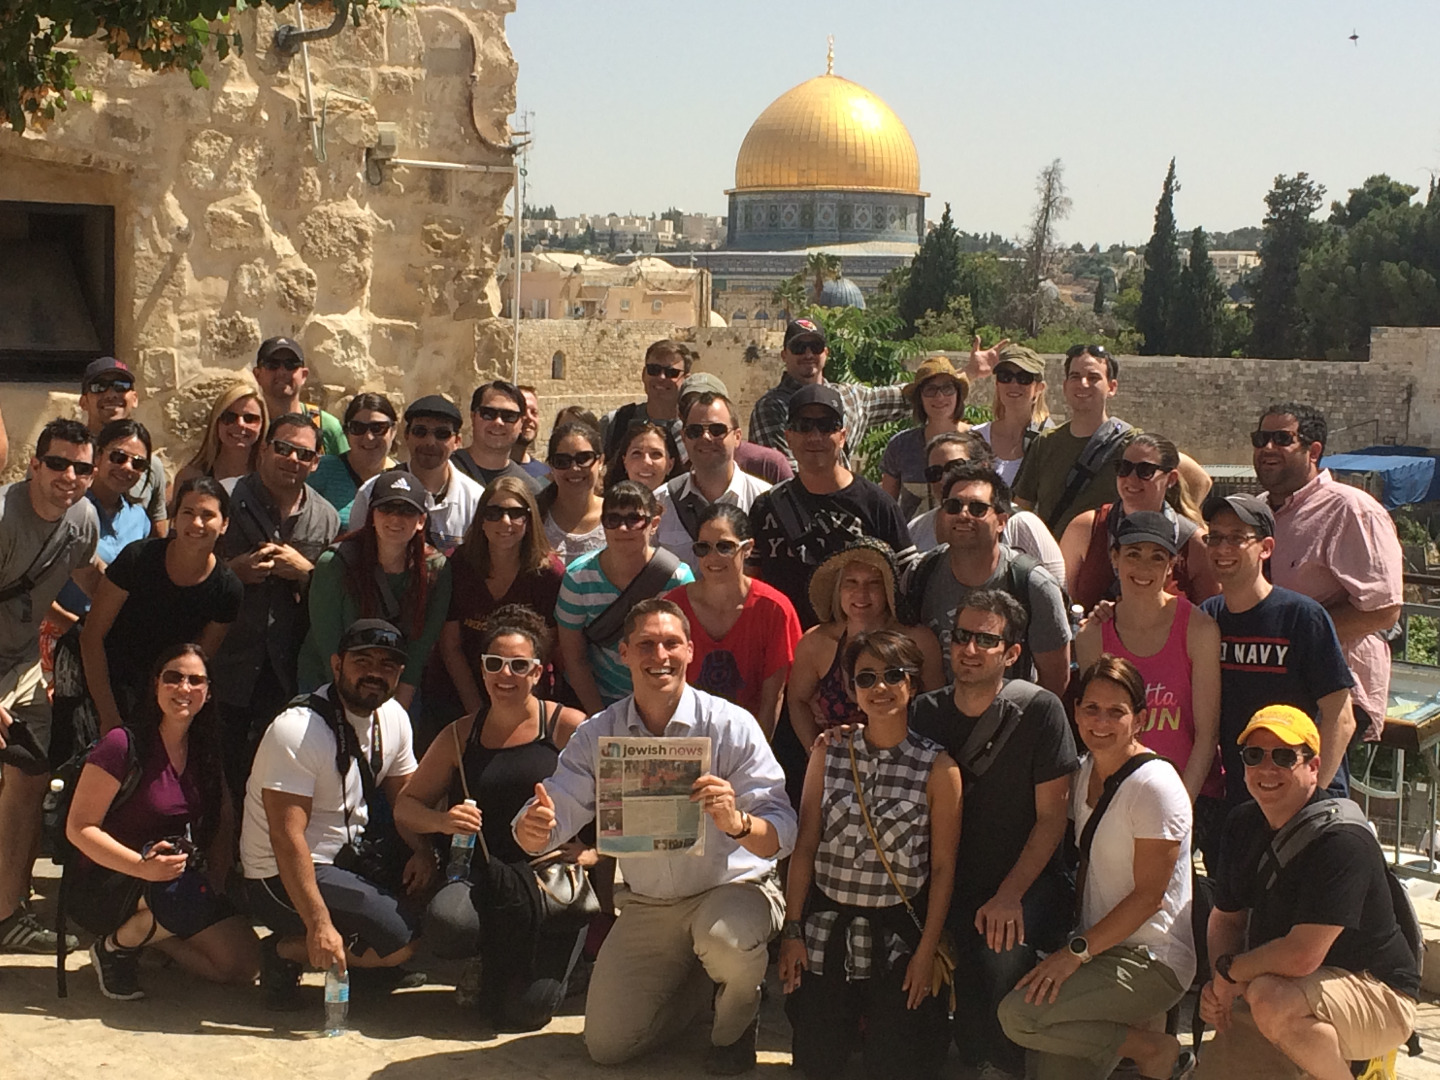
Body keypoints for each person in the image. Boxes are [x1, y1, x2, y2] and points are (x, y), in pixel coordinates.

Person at [512, 599, 797, 1071]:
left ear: (690, 651)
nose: (658, 655)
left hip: (733, 889)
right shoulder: (597, 733)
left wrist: (738, 822)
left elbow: (782, 831)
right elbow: (555, 806)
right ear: (624, 653)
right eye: (645, 644)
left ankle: (734, 1028)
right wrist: (531, 826)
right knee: (608, 1046)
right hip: (649, 903)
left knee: (727, 942)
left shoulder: (731, 725)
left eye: (670, 644)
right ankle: (697, 987)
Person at [998, 655, 1196, 1080]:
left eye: (1116, 712)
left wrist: (1074, 954)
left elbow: (1149, 897)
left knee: (1020, 1017)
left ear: (1140, 719)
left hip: (1150, 959)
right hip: (1096, 952)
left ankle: (1154, 1050)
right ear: (1076, 712)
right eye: (1091, 709)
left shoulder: (1155, 786)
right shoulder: (1084, 771)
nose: (1101, 722)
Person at [1196, 707, 1419, 1080]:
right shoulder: (1242, 822)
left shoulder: (1343, 839)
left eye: (1284, 757)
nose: (1267, 768)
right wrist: (1220, 989)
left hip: (1376, 991)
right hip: (1281, 989)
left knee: (1269, 998)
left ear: (1314, 766)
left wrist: (1229, 973)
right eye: (1255, 756)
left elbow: (1301, 955)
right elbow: (1226, 918)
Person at [909, 589, 1078, 1077]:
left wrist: (1009, 895)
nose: (970, 649)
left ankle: (1001, 1064)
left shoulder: (1041, 711)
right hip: (944, 880)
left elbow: (1052, 818)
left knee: (1000, 952)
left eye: (987, 639)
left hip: (1022, 883)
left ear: (1012, 653)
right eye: (962, 636)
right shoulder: (923, 713)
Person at [780, 629, 961, 1080]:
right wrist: (792, 930)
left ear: (913, 684)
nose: (880, 688)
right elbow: (805, 846)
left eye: (893, 675)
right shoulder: (828, 751)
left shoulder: (939, 767)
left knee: (896, 1065)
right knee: (817, 1064)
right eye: (866, 678)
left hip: (896, 940)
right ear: (851, 688)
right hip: (828, 934)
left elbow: (942, 868)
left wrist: (925, 953)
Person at [396, 606, 588, 1029]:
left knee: (527, 1013)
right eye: (495, 664)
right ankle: (491, 960)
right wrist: (443, 822)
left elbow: (617, 801)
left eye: (520, 665)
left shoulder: (569, 727)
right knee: (448, 923)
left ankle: (557, 966)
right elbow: (406, 806)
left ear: (538, 672)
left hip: (550, 884)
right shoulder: (459, 735)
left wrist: (591, 851)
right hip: (488, 880)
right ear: (482, 670)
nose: (506, 675)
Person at [242, 619, 432, 1010]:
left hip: (350, 855)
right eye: (363, 660)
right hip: (281, 872)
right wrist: (318, 923)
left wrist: (425, 851)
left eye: (388, 665)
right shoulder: (297, 729)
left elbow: (407, 801)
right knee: (401, 942)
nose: (375, 672)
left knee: (438, 898)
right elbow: (286, 838)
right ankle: (284, 950)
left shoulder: (393, 716)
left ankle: (362, 950)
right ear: (336, 664)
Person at [65, 644, 261, 1000]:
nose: (184, 688)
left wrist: (216, 881)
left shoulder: (205, 751)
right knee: (180, 897)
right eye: (173, 678)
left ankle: (154, 938)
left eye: (195, 680)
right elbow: (79, 827)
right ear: (155, 684)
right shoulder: (121, 744)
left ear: (209, 691)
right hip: (108, 881)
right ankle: (114, 948)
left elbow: (223, 821)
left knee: (243, 965)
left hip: (171, 880)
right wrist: (140, 868)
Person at [0, 419, 100, 954]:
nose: (70, 476)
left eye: (82, 467)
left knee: (29, 778)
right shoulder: (2, 517)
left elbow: (85, 578)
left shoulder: (82, 519)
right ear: (34, 464)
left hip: (18, 664)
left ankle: (5, 912)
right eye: (58, 463)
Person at [1075, 512, 1223, 870]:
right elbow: (1094, 729)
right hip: (1118, 796)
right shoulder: (1093, 634)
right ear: (1114, 557)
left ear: (1173, 564)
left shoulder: (1199, 629)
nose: (1144, 567)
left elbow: (1207, 734)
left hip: (1189, 795)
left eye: (1158, 556)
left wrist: (1179, 808)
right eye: (1133, 554)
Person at [1254, 402, 1403, 745]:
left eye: (1281, 438)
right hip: (1269, 685)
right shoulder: (1257, 511)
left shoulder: (1353, 510)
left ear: (1314, 450)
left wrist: (1294, 637)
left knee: (1317, 796)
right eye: (1261, 438)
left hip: (1333, 695)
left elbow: (1383, 611)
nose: (1267, 448)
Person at [1197, 493, 1356, 807]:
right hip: (1244, 799)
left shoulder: (1301, 616)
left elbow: (1342, 717)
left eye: (1236, 538)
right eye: (1214, 538)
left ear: (1265, 548)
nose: (1222, 548)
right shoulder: (1207, 619)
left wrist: (1312, 798)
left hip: (1305, 798)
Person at [211, 413, 340, 796]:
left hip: (289, 670)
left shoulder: (326, 518)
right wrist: (232, 571)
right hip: (226, 662)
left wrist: (306, 573)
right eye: (283, 448)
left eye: (303, 454)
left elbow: (336, 594)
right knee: (217, 773)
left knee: (278, 780)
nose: (292, 460)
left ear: (316, 462)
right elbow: (187, 569)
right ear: (264, 449)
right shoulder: (225, 499)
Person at [80, 477, 243, 736]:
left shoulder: (227, 589)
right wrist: (108, 715)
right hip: (101, 681)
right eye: (188, 512)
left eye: (207, 515)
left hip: (162, 696)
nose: (197, 523)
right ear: (174, 518)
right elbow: (91, 637)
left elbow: (196, 664)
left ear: (224, 524)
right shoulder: (137, 559)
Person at [749, 384, 914, 628]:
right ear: (788, 437)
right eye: (804, 426)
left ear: (843, 436)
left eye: (826, 426)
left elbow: (906, 584)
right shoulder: (766, 507)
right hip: (785, 646)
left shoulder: (878, 505)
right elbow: (751, 582)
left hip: (858, 649)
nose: (815, 437)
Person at [903, 461, 1071, 696]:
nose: (963, 515)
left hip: (1008, 724)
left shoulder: (1033, 585)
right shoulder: (920, 574)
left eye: (978, 508)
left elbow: (1055, 680)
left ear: (1002, 521)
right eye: (953, 506)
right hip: (933, 724)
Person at [300, 471, 452, 712]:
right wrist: (350, 711)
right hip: (329, 680)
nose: (395, 518)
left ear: (421, 520)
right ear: (372, 514)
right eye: (386, 509)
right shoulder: (335, 563)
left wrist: (397, 712)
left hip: (396, 684)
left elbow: (420, 647)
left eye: (406, 511)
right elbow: (328, 643)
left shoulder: (436, 570)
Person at [555, 481, 694, 713]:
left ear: (654, 524)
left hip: (663, 699)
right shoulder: (578, 577)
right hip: (599, 699)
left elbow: (685, 651)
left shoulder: (678, 578)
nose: (622, 528)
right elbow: (574, 658)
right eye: (613, 520)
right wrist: (599, 718)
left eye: (634, 519)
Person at [789, 539, 943, 747]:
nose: (861, 593)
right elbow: (797, 702)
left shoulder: (919, 641)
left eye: (874, 583)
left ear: (889, 589)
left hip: (906, 762)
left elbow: (936, 708)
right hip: (838, 765)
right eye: (851, 582)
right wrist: (816, 754)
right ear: (838, 589)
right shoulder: (815, 642)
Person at [664, 504, 800, 737]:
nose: (713, 557)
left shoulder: (774, 608)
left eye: (724, 547)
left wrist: (755, 759)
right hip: (682, 740)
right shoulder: (673, 607)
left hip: (746, 738)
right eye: (703, 548)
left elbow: (772, 698)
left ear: (747, 548)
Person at [440, 478, 566, 717]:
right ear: (481, 521)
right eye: (494, 513)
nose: (505, 522)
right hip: (463, 695)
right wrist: (477, 715)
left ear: (529, 520)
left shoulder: (549, 575)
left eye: (516, 513)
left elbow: (548, 648)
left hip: (527, 695)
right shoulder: (458, 566)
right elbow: (451, 647)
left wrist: (514, 710)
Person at [1061, 433, 1218, 613]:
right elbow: (1062, 608)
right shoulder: (1085, 528)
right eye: (1124, 468)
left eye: (1145, 471)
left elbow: (1208, 618)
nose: (1131, 479)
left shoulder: (1195, 544)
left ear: (1171, 479)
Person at [748, 318, 912, 469]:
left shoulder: (849, 397)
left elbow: (908, 397)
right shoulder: (772, 407)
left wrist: (934, 381)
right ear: (784, 355)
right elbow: (783, 473)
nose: (808, 354)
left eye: (815, 347)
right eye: (799, 348)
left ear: (826, 353)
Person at [907, 430, 1066, 581]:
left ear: (983, 467)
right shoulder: (916, 530)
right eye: (934, 472)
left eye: (955, 467)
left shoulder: (1020, 525)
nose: (943, 479)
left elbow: (1056, 588)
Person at [654, 386, 771, 574]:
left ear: (738, 437)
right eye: (695, 431)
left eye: (717, 430)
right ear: (683, 438)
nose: (706, 437)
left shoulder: (766, 500)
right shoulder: (659, 503)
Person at [350, 395, 484, 555]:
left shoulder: (476, 500)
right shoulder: (371, 491)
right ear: (407, 436)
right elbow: (356, 555)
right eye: (420, 432)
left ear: (457, 441)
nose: (430, 441)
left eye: (442, 434)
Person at [51, 419, 154, 627]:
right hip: (63, 632)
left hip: (115, 635)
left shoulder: (139, 518)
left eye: (138, 463)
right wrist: (76, 630)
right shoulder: (69, 509)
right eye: (118, 457)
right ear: (98, 456)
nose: (127, 467)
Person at [77, 357, 168, 537]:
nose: (111, 394)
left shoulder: (150, 465)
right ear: (83, 402)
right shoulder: (63, 459)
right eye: (99, 386)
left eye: (121, 385)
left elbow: (157, 534)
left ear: (134, 398)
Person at [881, 355, 971, 518]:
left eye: (947, 388)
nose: (940, 397)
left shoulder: (977, 441)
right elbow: (886, 507)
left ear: (957, 393)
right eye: (931, 389)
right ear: (920, 398)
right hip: (912, 540)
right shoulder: (901, 445)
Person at [677, 373, 794, 487]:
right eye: (688, 405)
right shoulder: (674, 477)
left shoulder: (767, 464)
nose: (706, 436)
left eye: (717, 429)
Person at [307, 393, 398, 529]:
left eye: (378, 428)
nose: (369, 437)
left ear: (394, 430)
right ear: (346, 433)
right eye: (358, 428)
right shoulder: (320, 471)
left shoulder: (403, 479)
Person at [970, 340, 1053, 486]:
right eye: (1005, 376)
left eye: (1024, 378)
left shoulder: (1049, 442)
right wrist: (969, 372)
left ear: (1039, 388)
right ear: (997, 384)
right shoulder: (976, 437)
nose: (1014, 384)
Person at [599, 339, 691, 469]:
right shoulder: (615, 424)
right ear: (643, 375)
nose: (661, 377)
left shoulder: (694, 431)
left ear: (686, 380)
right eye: (654, 370)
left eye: (671, 373)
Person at [251, 337, 347, 457]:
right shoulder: (247, 425)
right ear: (257, 374)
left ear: (304, 375)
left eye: (291, 364)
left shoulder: (327, 427)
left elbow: (348, 472)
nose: (282, 372)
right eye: (272, 364)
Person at [170, 383, 268, 494]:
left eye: (250, 418)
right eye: (229, 417)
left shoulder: (271, 478)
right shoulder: (190, 477)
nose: (240, 424)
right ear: (216, 422)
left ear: (263, 425)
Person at [452, 380, 544, 493]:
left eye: (509, 416)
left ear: (521, 423)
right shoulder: (444, 471)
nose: (498, 422)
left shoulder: (530, 490)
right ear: (473, 417)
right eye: (488, 413)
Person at [540, 420, 607, 564]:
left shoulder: (618, 517)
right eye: (562, 461)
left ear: (600, 461)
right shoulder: (535, 518)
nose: (574, 468)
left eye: (583, 459)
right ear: (551, 466)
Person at [606, 417, 677, 491]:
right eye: (637, 453)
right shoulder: (605, 502)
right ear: (625, 462)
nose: (646, 461)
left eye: (656, 454)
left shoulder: (683, 502)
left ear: (670, 465)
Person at [510, 385, 550, 480]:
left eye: (534, 412)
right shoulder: (490, 468)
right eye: (522, 411)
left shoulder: (546, 475)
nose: (529, 418)